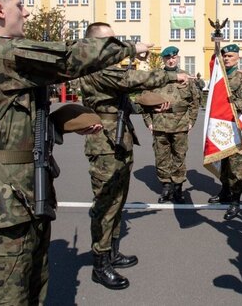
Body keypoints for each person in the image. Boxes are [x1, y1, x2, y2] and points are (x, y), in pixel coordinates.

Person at [0, 0, 152, 305]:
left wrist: (58, 122)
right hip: (3, 203)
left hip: (21, 196)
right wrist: (129, 47)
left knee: (33, 289)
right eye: (20, 4)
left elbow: (3, 125)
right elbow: (68, 58)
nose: (26, 12)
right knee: (6, 299)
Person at [80, 25, 193, 290]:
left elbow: (122, 100)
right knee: (105, 206)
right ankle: (100, 264)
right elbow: (130, 81)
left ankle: (112, 252)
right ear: (96, 45)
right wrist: (171, 77)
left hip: (119, 141)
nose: (115, 45)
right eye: (110, 41)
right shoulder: (95, 68)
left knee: (117, 203)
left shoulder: (106, 69)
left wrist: (148, 104)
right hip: (104, 146)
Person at [143, 46, 200, 204]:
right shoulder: (155, 77)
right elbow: (144, 100)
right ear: (163, 59)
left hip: (180, 123)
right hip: (159, 122)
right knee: (161, 156)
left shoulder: (186, 77)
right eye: (167, 58)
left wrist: (191, 121)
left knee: (179, 156)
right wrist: (148, 121)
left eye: (173, 57)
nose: (171, 60)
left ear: (177, 58)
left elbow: (195, 101)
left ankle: (178, 187)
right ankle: (166, 186)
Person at [207, 44, 242, 220]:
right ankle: (224, 190)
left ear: (238, 58)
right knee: (224, 162)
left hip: (235, 126)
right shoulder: (220, 75)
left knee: (236, 166)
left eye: (231, 56)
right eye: (225, 56)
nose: (227, 58)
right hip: (221, 126)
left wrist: (223, 107)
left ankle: (235, 200)